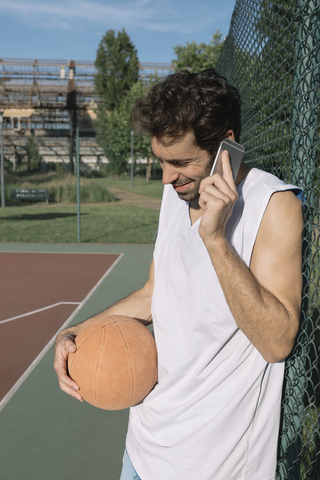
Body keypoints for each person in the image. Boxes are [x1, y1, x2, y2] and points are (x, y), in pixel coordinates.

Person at [54, 69, 303, 480]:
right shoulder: (177, 193)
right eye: (161, 162)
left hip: (210, 466)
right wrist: (77, 333)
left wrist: (216, 240)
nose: (167, 178)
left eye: (180, 162)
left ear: (226, 144)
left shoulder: (273, 205)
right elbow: (155, 292)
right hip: (143, 446)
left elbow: (277, 342)